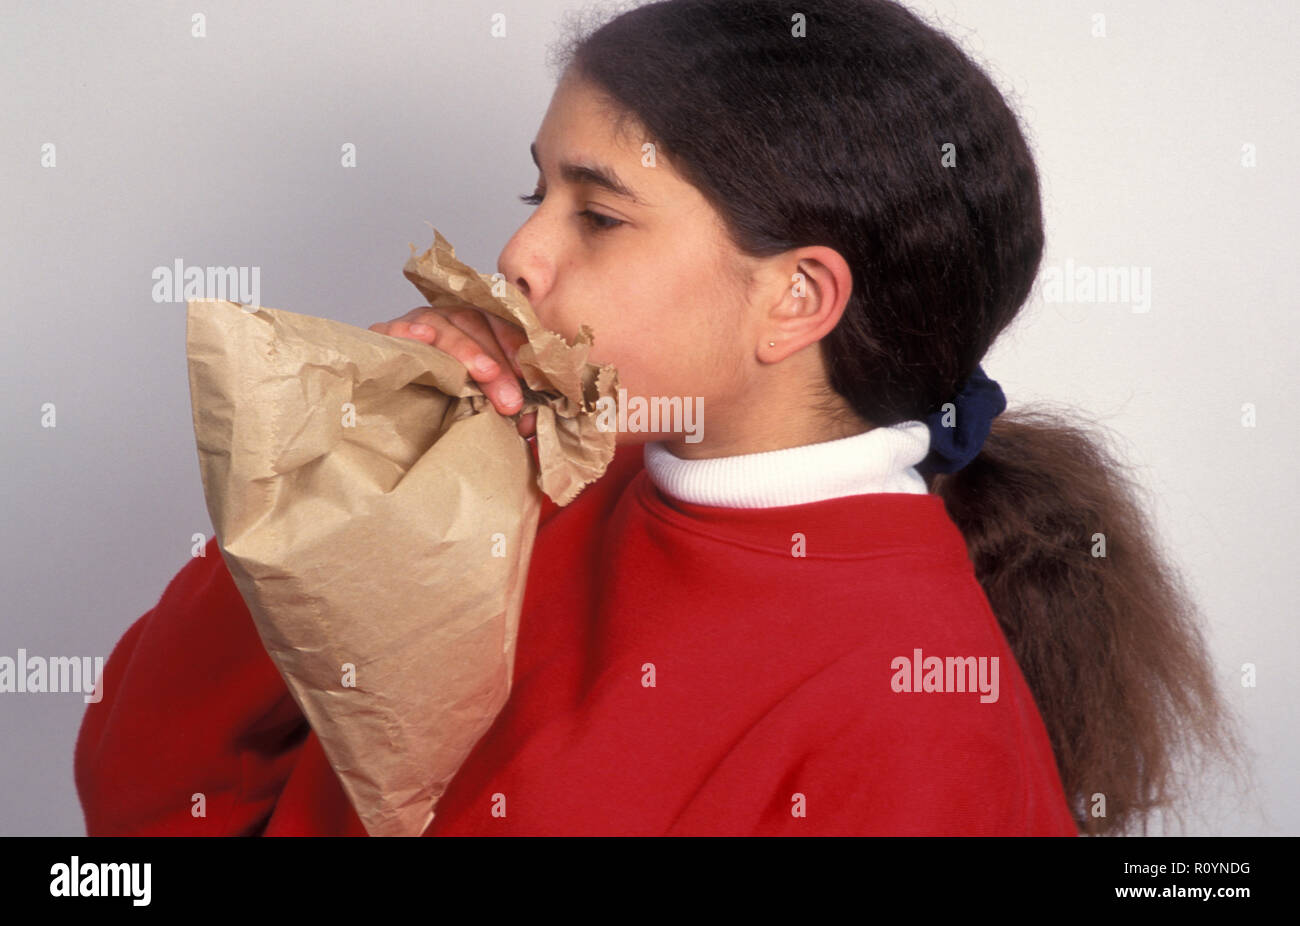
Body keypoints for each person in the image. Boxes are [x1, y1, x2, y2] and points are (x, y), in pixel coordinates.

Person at [75, 0, 1240, 836]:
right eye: (540, 192)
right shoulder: (517, 477)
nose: (519, 254)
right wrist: (357, 466)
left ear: (795, 298)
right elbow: (144, 796)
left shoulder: (918, 722)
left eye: (600, 214)